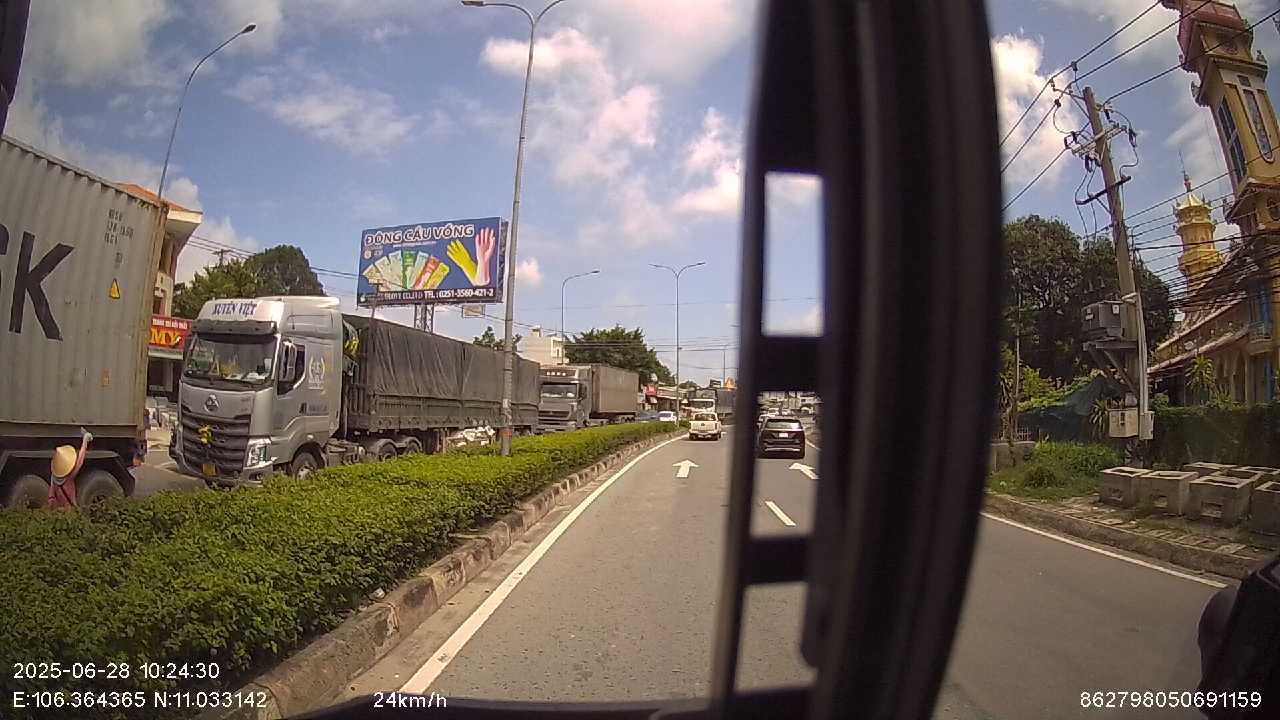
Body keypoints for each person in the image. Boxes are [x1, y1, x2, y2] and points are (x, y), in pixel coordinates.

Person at [48, 428, 91, 508]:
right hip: (70, 510)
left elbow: (51, 497)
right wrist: (85, 440)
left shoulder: (54, 478)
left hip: (60, 510)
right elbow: (80, 460)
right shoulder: (69, 478)